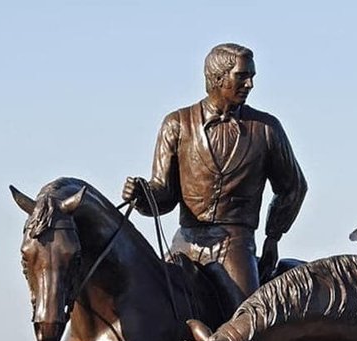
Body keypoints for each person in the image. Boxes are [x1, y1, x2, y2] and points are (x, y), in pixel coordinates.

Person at [122, 43, 306, 307]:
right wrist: (142, 196)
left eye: (251, 76)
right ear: (218, 78)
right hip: (185, 242)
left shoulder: (266, 129)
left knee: (245, 319)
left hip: (236, 244)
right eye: (242, 76)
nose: (251, 84)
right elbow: (164, 193)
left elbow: (293, 188)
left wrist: (272, 237)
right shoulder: (176, 124)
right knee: (151, 306)